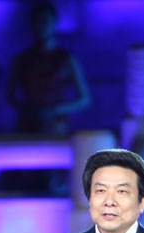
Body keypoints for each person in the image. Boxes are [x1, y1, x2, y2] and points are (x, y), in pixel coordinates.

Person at [6, 1, 90, 135]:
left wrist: (54, 110)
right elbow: (10, 96)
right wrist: (28, 110)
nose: (40, 26)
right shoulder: (22, 59)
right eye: (37, 21)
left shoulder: (66, 58)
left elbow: (85, 99)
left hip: (56, 127)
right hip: (27, 126)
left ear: (54, 23)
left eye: (45, 21)